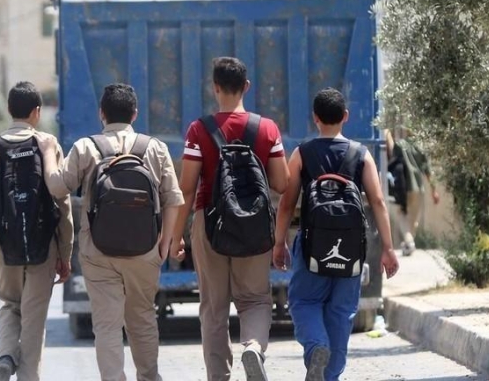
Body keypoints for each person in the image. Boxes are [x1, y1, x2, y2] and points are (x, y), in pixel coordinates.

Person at [37, 83, 184, 381]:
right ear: (135, 113)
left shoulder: (86, 147)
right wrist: (165, 243)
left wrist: (48, 153)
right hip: (145, 250)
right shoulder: (154, 148)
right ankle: (149, 376)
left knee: (107, 325)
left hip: (98, 251)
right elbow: (173, 199)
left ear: (101, 113)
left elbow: (57, 187)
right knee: (142, 318)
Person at [172, 57, 290, 381]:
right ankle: (253, 346)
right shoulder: (267, 129)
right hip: (254, 225)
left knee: (214, 308)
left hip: (209, 223)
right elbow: (282, 183)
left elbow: (187, 186)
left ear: (215, 87)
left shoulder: (199, 130)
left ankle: (219, 377)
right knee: (255, 299)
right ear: (246, 87)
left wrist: (176, 235)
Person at [273, 88, 399, 381]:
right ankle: (329, 376)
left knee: (305, 303)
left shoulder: (302, 153)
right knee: (341, 312)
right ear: (345, 116)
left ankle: (317, 346)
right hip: (350, 250)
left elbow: (286, 204)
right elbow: (378, 201)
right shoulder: (361, 154)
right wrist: (388, 248)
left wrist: (279, 243)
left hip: (312, 247)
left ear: (315, 118)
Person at [0, 81, 73, 381]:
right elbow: (62, 203)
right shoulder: (47, 144)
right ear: (37, 112)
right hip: (43, 245)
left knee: (10, 305)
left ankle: (6, 356)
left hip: (7, 244)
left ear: (8, 110)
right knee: (34, 320)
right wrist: (65, 252)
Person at [386, 127, 440, 256]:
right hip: (418, 187)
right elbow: (428, 171)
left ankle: (409, 242)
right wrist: (434, 191)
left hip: (403, 186)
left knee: (401, 214)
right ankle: (409, 243)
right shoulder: (421, 147)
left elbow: (393, 161)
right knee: (413, 219)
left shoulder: (399, 145)